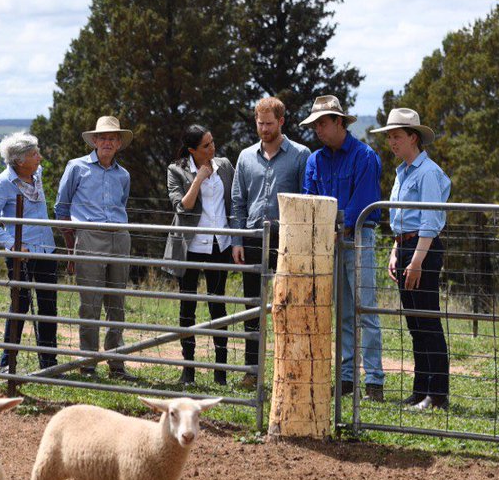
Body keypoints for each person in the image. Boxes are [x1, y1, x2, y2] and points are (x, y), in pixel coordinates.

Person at [300, 94, 385, 402]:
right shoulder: (315, 160)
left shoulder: (364, 156)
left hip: (358, 238)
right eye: (315, 125)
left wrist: (329, 224)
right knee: (344, 313)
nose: (318, 130)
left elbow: (361, 207)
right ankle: (347, 378)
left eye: (322, 123)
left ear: (339, 122)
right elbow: (309, 200)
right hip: (328, 243)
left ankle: (374, 381)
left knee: (366, 310)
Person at [230, 96, 311, 390]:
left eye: (269, 123)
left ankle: (288, 372)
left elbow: (306, 200)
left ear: (281, 122)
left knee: (288, 305)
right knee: (253, 306)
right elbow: (238, 201)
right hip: (252, 237)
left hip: (286, 238)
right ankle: (252, 372)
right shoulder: (245, 157)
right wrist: (237, 239)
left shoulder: (301, 155)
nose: (263, 129)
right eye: (259, 123)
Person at [372, 108, 451, 410]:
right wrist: (396, 250)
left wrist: (417, 260)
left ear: (413, 138)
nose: (392, 142)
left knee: (427, 320)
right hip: (406, 246)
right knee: (415, 323)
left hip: (423, 248)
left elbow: (430, 220)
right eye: (390, 137)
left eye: (397, 136)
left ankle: (437, 393)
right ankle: (421, 390)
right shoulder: (403, 172)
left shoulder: (427, 172)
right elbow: (401, 217)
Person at [55, 115, 133, 379]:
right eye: (102, 138)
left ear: (119, 143)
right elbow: (61, 208)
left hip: (120, 237)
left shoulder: (123, 175)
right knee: (90, 303)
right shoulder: (76, 167)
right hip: (88, 236)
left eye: (112, 138)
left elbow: (122, 204)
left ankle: (116, 364)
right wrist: (71, 247)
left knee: (117, 303)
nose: (107, 142)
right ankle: (87, 363)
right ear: (94, 141)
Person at [0, 132, 59, 372]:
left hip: (46, 250)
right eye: (34, 154)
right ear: (19, 160)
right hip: (21, 254)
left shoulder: (38, 175)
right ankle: (7, 362)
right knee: (20, 305)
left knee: (48, 306)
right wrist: (13, 244)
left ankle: (49, 363)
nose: (40, 157)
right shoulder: (3, 183)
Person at [165, 125, 235, 386]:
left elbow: (233, 200)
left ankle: (221, 371)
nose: (212, 149)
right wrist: (198, 179)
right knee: (188, 307)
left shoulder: (225, 166)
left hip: (220, 244)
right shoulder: (176, 170)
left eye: (213, 142)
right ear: (192, 150)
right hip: (190, 247)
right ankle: (189, 368)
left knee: (218, 306)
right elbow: (182, 207)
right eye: (206, 146)